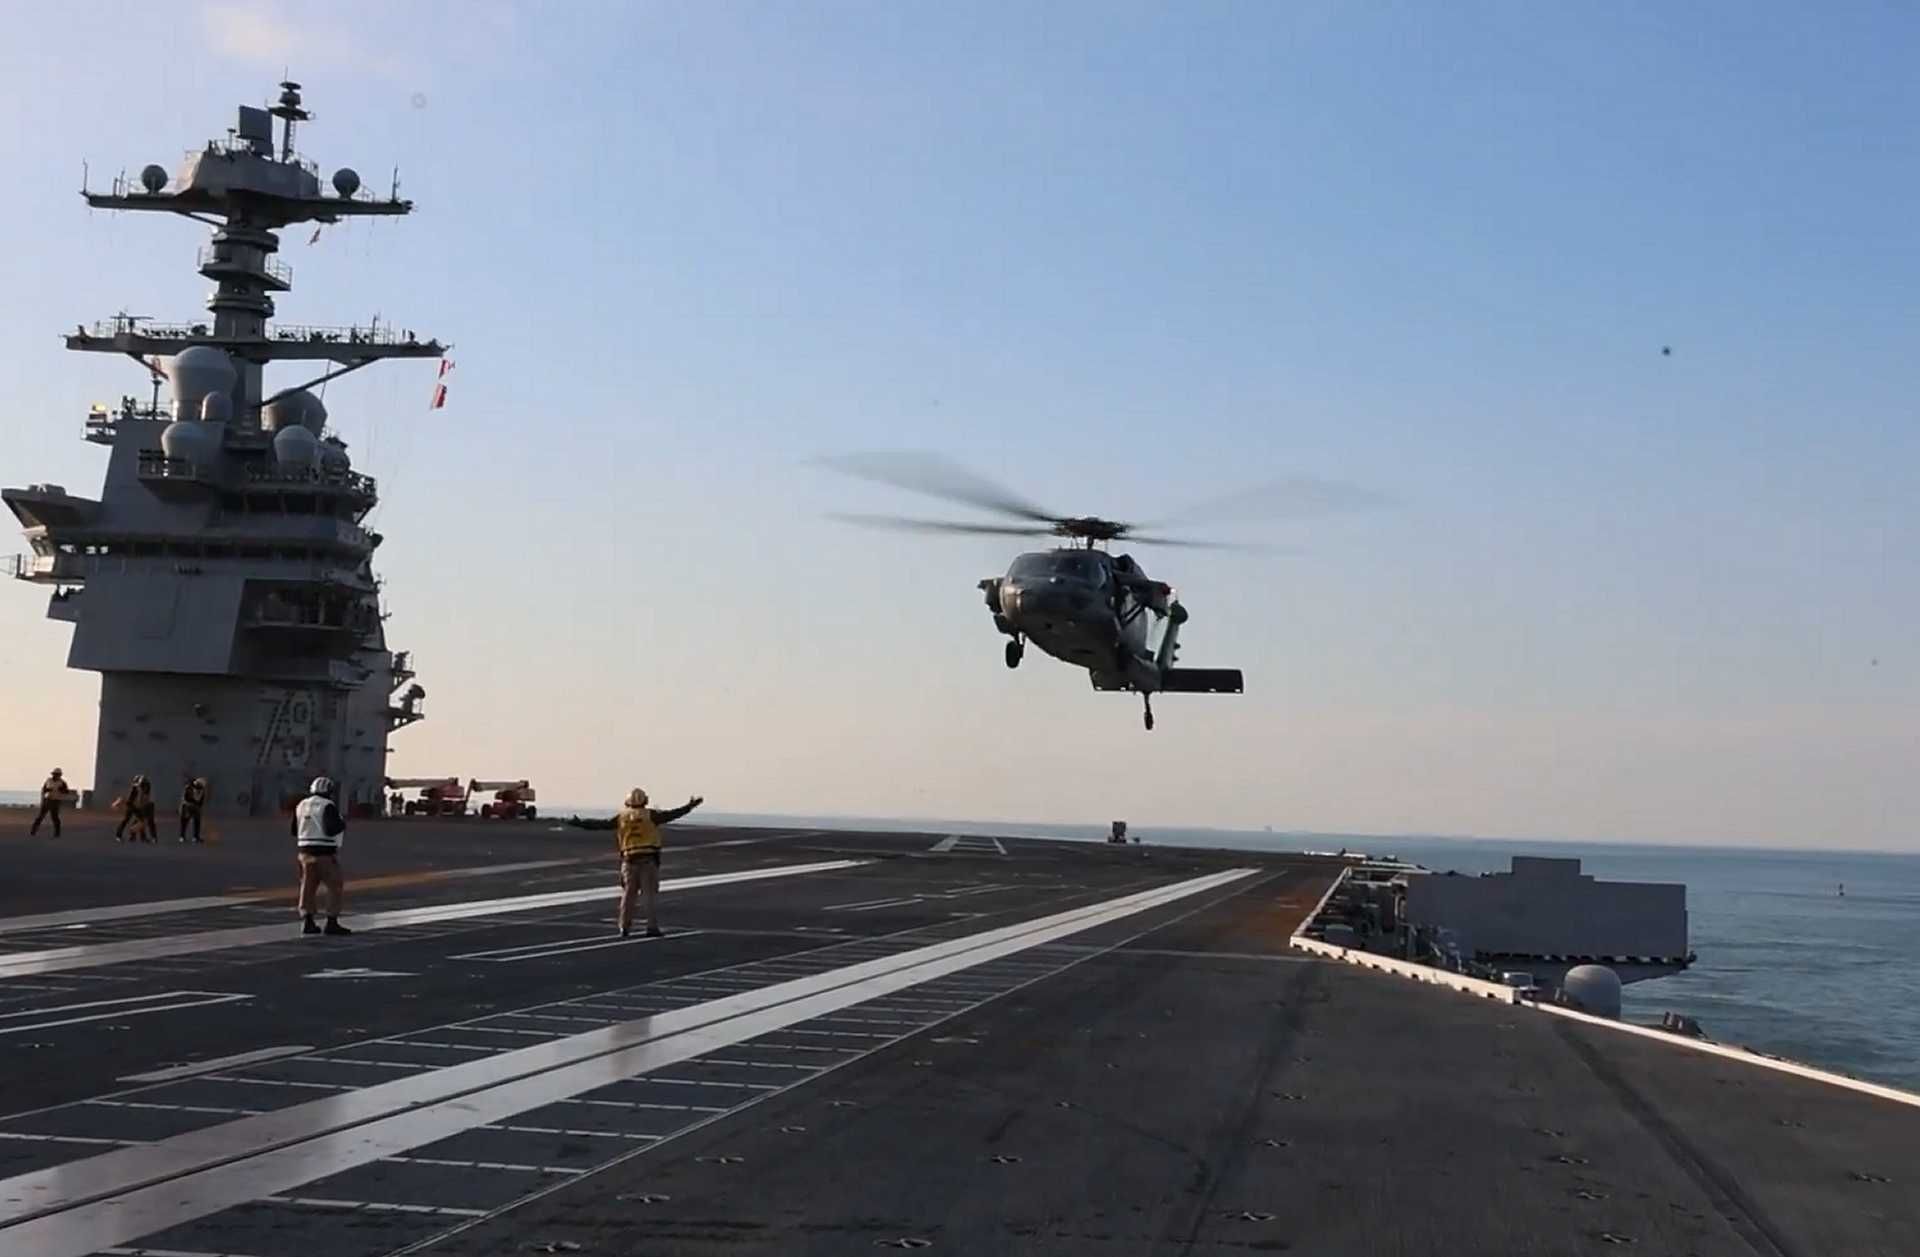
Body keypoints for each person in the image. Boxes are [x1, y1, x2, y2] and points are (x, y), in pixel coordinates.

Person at [568, 788, 704, 938]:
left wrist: (579, 823)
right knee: (649, 896)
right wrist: (690, 806)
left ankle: (624, 927)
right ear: (645, 801)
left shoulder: (622, 817)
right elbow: (672, 814)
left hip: (629, 860)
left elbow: (600, 824)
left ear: (628, 802)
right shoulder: (651, 815)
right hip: (648, 860)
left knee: (628, 896)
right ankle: (651, 927)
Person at [291, 775, 351, 936]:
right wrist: (342, 823)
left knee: (307, 887)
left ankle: (307, 921)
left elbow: (294, 830)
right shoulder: (328, 805)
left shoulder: (301, 805)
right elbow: (331, 828)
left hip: (304, 852)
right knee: (334, 886)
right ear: (329, 791)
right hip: (324, 853)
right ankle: (331, 922)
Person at [30, 768, 71, 837]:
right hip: (47, 800)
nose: (57, 776)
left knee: (55, 817)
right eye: (55, 774)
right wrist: (47, 790)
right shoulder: (48, 780)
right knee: (40, 816)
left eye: (58, 774)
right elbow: (44, 789)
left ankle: (57, 833)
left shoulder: (62, 782)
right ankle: (33, 831)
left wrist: (61, 790)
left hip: (55, 801)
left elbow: (66, 791)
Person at [115, 774, 156, 843]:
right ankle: (118, 836)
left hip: (138, 806)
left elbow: (144, 799)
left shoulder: (146, 788)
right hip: (131, 805)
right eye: (141, 785)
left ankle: (141, 836)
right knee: (126, 819)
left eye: (144, 785)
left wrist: (142, 806)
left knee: (141, 820)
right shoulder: (134, 788)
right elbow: (128, 800)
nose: (143, 787)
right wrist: (119, 802)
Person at [178, 776, 208, 844]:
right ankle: (182, 836)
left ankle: (195, 837)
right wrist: (195, 802)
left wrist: (198, 806)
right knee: (185, 821)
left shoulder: (201, 790)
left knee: (197, 821)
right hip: (186, 805)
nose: (199, 787)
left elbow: (201, 801)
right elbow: (186, 798)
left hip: (195, 807)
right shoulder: (189, 788)